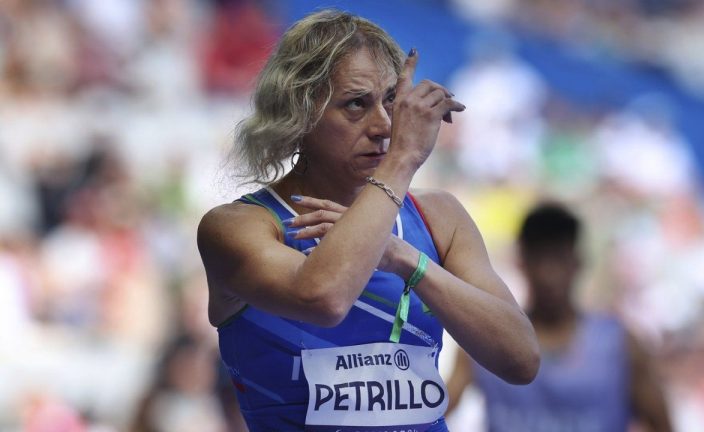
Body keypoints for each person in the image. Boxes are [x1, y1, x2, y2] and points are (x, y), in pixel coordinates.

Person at [196, 9, 540, 432]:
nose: (383, 125)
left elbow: (521, 359)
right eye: (357, 104)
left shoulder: (438, 217)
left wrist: (406, 259)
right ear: (299, 112)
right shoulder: (238, 226)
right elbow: (323, 299)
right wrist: (401, 162)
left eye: (392, 102)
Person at [446, 202, 673, 432]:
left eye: (559, 257)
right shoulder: (484, 342)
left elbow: (662, 424)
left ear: (577, 263)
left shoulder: (621, 347)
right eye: (540, 258)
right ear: (522, 262)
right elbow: (436, 412)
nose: (549, 274)